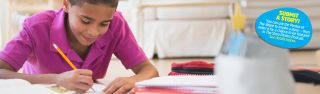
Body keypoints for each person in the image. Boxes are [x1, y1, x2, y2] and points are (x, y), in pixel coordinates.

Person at [0, 0, 159, 93]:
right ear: (66, 4)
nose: (93, 32)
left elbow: (149, 70)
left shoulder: (116, 24)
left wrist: (133, 80)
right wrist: (56, 79)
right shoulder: (36, 26)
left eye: (104, 23)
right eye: (85, 20)